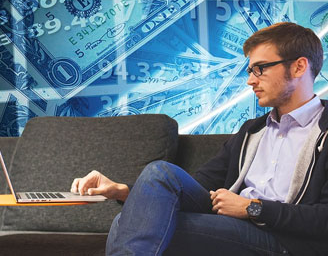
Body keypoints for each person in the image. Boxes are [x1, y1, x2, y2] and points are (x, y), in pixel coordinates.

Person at [71, 22, 328, 256]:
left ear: (299, 66)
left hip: (285, 242)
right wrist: (125, 191)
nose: (250, 80)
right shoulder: (252, 131)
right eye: (250, 71)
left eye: (260, 69)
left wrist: (252, 208)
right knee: (159, 175)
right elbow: (197, 186)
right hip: (233, 227)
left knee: (129, 224)